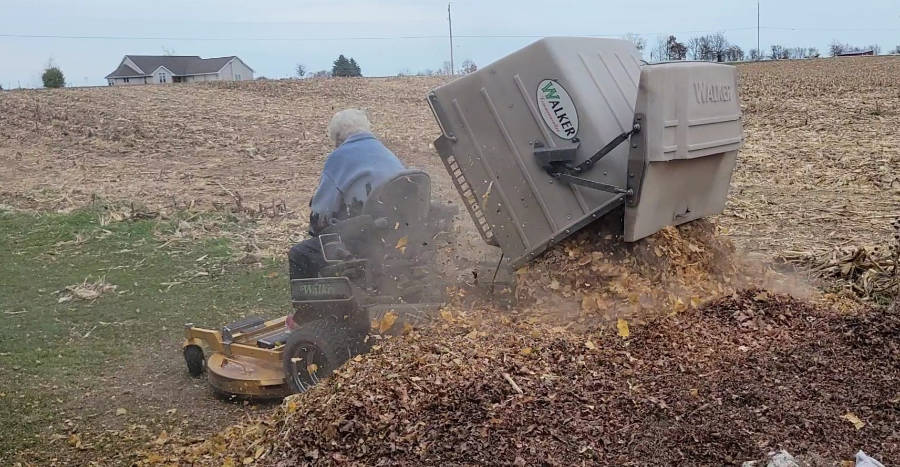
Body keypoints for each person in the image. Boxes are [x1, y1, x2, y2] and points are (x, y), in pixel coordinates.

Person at [289, 109, 406, 280]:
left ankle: (315, 307)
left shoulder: (339, 157)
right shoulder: (387, 153)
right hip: (398, 237)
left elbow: (320, 213)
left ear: (337, 138)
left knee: (300, 254)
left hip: (366, 238)